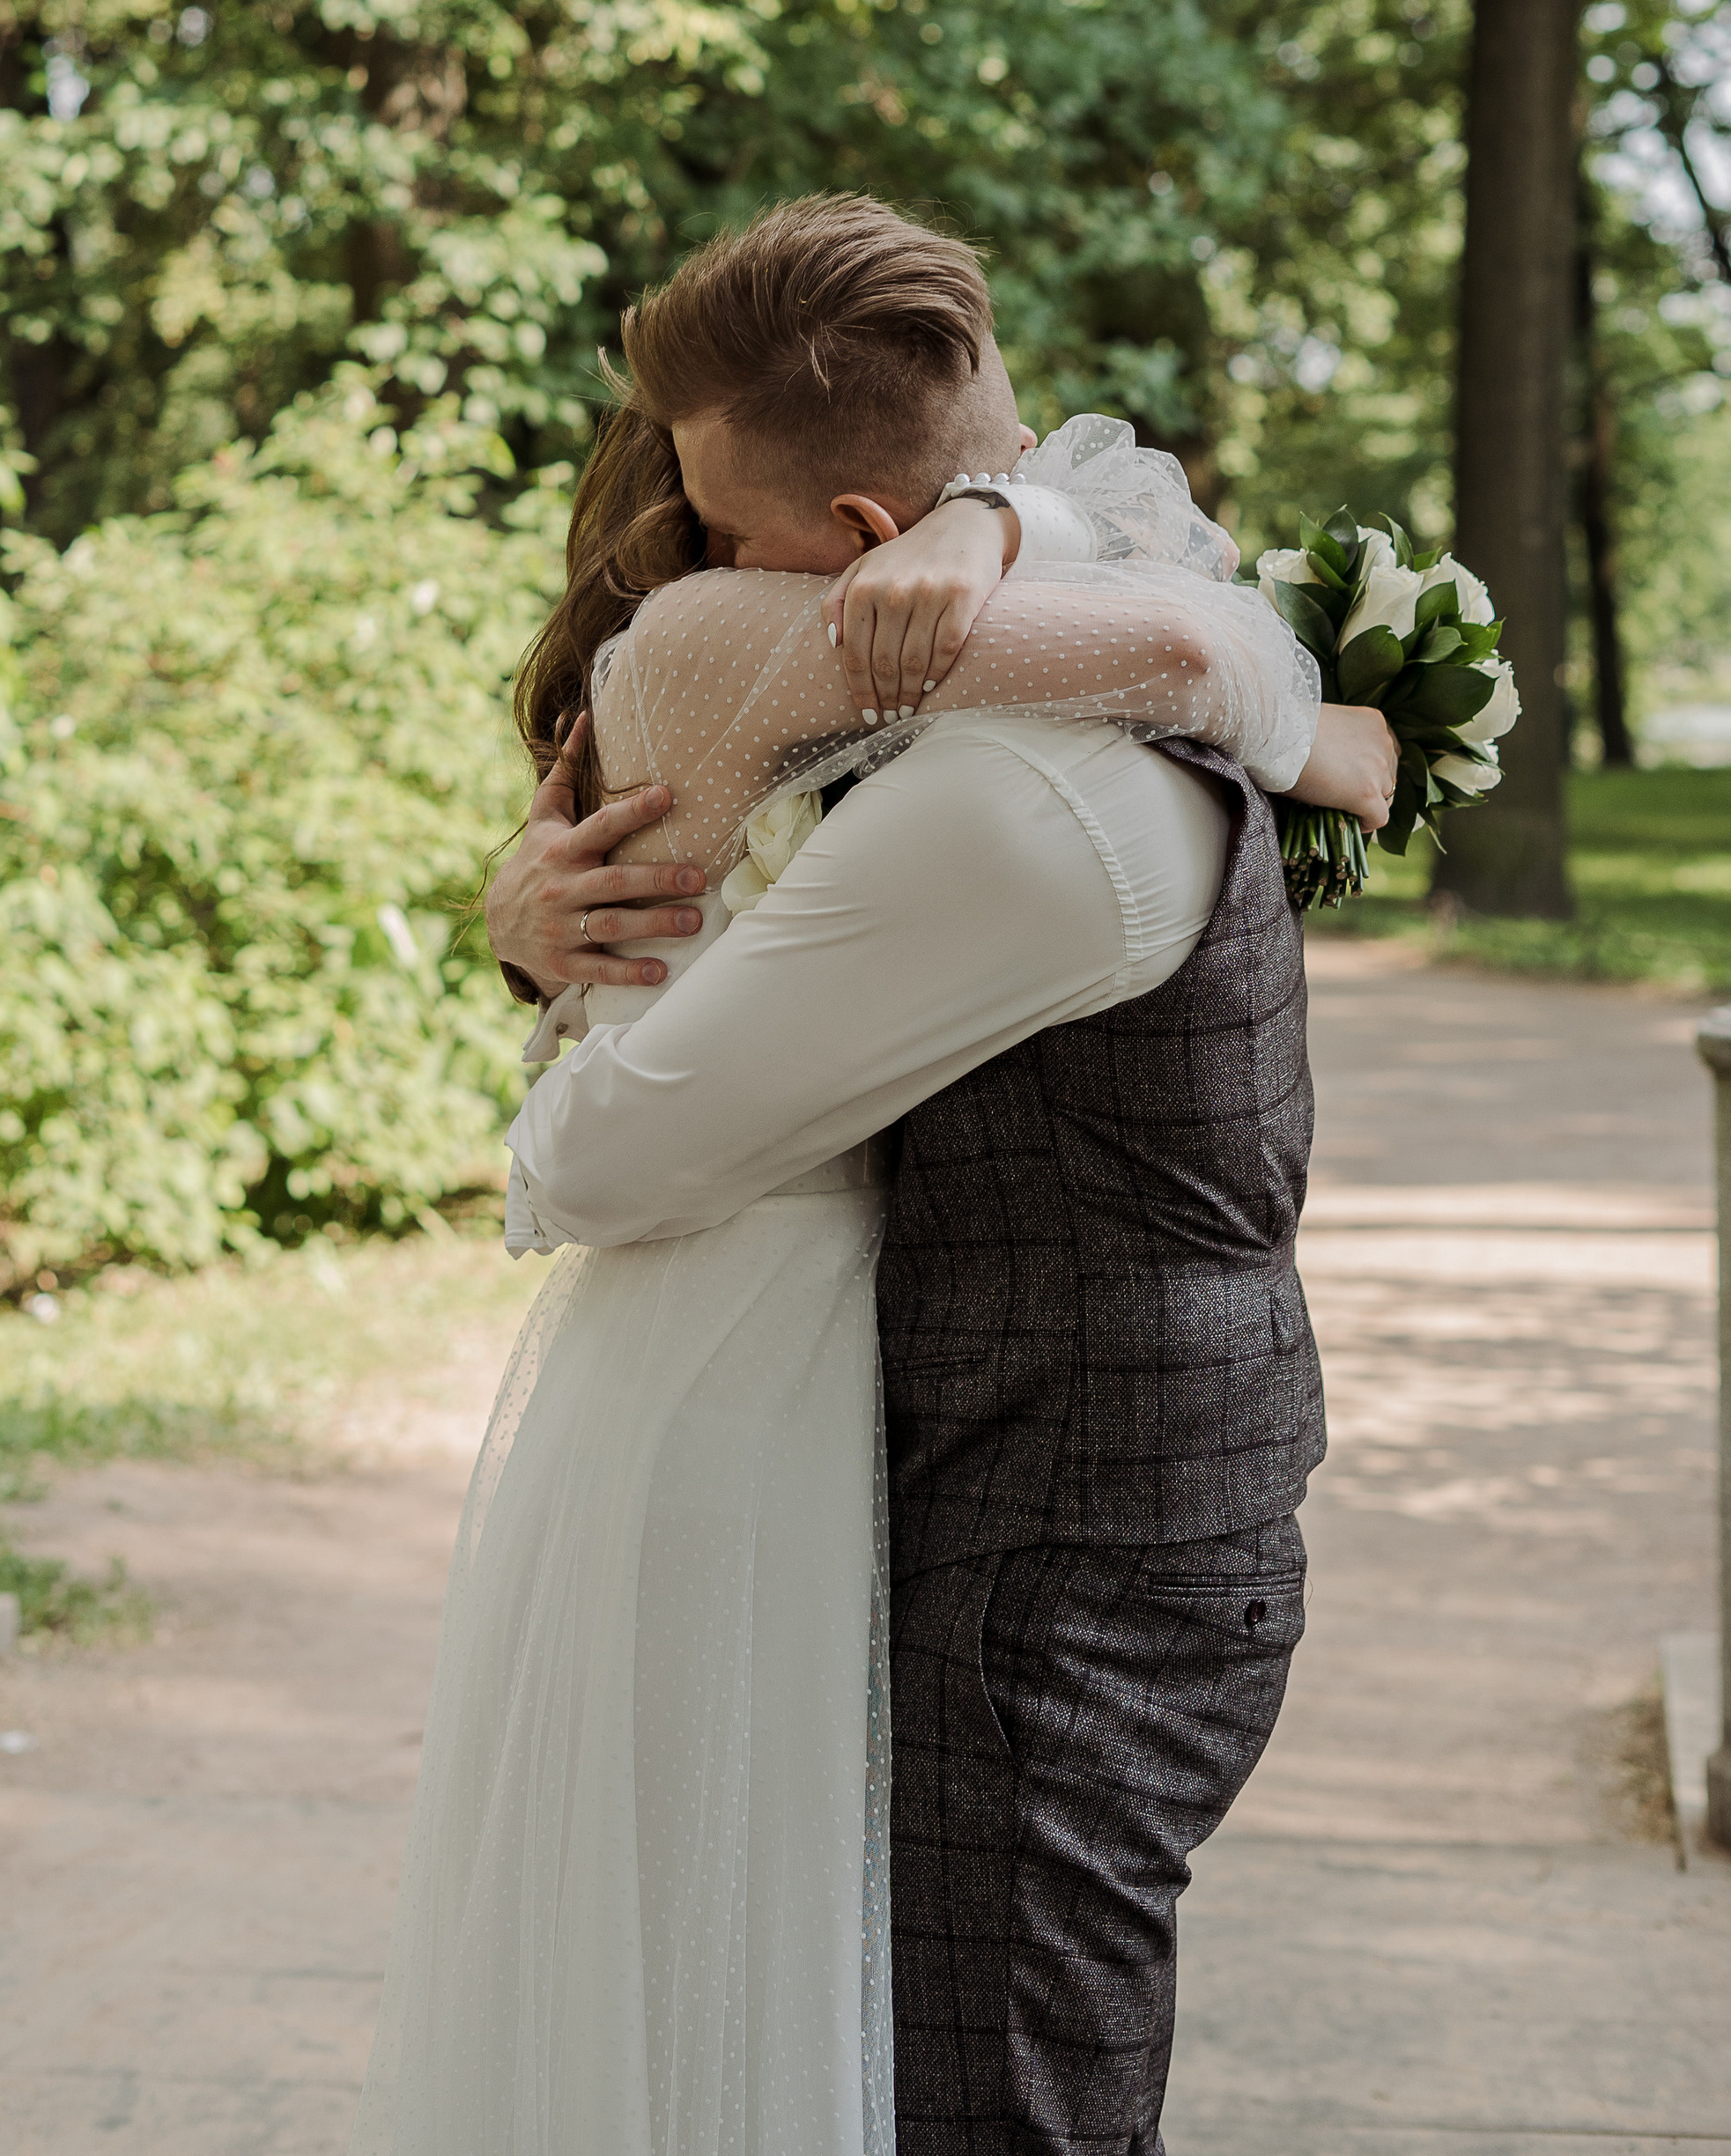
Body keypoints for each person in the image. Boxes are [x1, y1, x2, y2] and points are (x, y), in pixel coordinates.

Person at [354, 200, 1392, 2156]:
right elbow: (1161, 586)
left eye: (731, 529)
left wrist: (558, 1054)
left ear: (848, 542)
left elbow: (616, 1151)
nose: (705, 575)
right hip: (1013, 1482)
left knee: (997, 2101)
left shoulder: (1015, 798)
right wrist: (536, 925)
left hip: (1049, 1539)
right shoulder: (1051, 653)